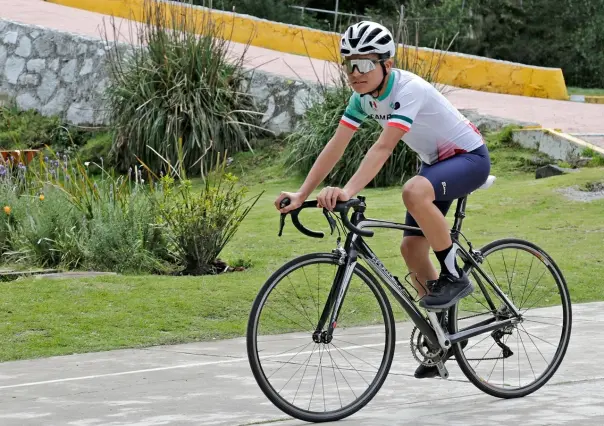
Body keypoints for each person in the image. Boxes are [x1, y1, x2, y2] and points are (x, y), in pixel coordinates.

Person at [274, 21, 491, 378]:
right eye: (349, 64)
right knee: (410, 249)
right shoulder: (362, 98)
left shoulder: (408, 89)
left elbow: (383, 147)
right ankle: (443, 340)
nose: (354, 73)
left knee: (412, 191)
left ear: (386, 65)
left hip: (469, 159)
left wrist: (347, 191)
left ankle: (454, 275)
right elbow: (337, 145)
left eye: (364, 65)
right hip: (438, 163)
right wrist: (303, 193)